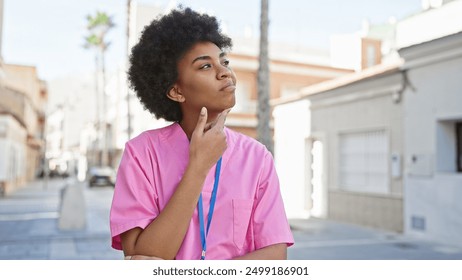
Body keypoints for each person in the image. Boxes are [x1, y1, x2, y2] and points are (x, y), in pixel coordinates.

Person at [110, 7, 294, 260]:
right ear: (176, 91)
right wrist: (198, 167)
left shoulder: (257, 157)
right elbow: (140, 257)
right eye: (206, 66)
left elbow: (275, 256)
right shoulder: (142, 154)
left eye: (224, 62)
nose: (225, 72)